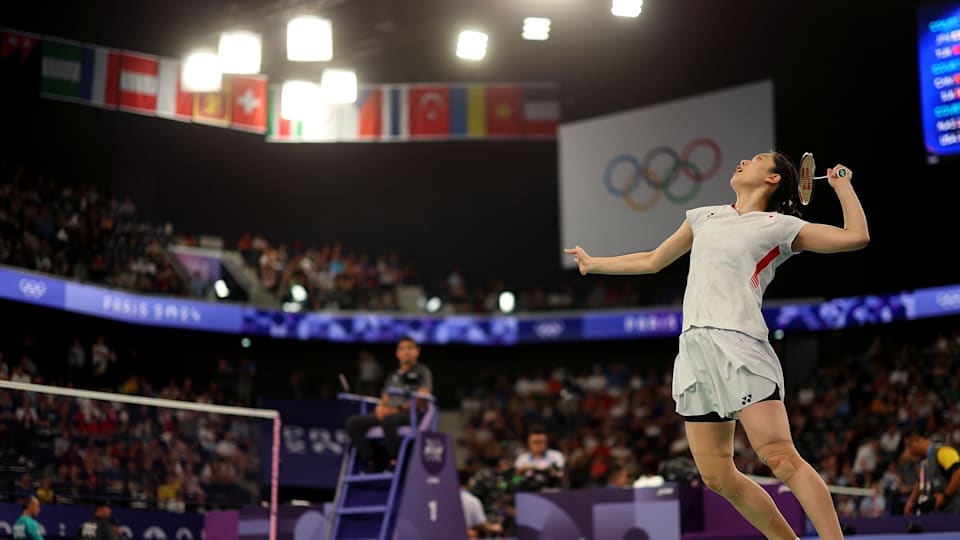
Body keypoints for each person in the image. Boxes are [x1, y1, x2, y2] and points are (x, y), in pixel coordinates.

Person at [566, 151, 869, 540]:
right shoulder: (704, 216)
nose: (744, 161)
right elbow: (653, 260)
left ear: (773, 179)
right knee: (717, 477)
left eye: (757, 159)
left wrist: (843, 187)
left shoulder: (780, 226)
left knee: (779, 458)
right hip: (695, 352)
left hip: (740, 344)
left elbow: (855, 237)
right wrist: (595, 264)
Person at [345, 336, 433, 473]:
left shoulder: (423, 372)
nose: (406, 352)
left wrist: (397, 409)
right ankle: (371, 462)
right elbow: (385, 398)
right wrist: (380, 408)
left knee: (389, 419)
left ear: (417, 352)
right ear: (397, 353)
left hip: (410, 414)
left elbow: (422, 398)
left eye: (410, 348)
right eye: (402, 349)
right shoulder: (392, 376)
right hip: (390, 413)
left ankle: (395, 462)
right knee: (353, 423)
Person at [903, 429, 960, 515]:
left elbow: (958, 472)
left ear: (918, 441)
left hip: (955, 509)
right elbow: (921, 481)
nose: (909, 451)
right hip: (941, 511)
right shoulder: (926, 461)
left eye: (909, 446)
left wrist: (945, 496)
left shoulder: (943, 451)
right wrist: (911, 502)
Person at [513, 424, 565, 490]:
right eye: (535, 442)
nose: (538, 445)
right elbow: (514, 481)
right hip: (527, 494)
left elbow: (559, 476)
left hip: (551, 493)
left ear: (546, 442)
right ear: (529, 443)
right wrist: (518, 473)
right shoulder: (521, 459)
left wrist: (532, 468)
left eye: (541, 442)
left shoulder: (556, 456)